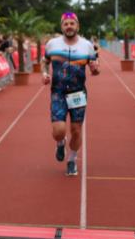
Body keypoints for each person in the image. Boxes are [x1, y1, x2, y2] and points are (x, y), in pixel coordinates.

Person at [41, 11, 100, 177]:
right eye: (65, 24)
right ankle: (60, 142)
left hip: (78, 93)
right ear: (61, 26)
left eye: (72, 23)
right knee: (59, 130)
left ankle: (72, 159)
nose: (69, 26)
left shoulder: (87, 45)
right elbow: (45, 63)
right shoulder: (52, 44)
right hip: (58, 92)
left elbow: (96, 69)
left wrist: (95, 70)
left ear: (77, 26)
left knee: (76, 130)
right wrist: (44, 74)